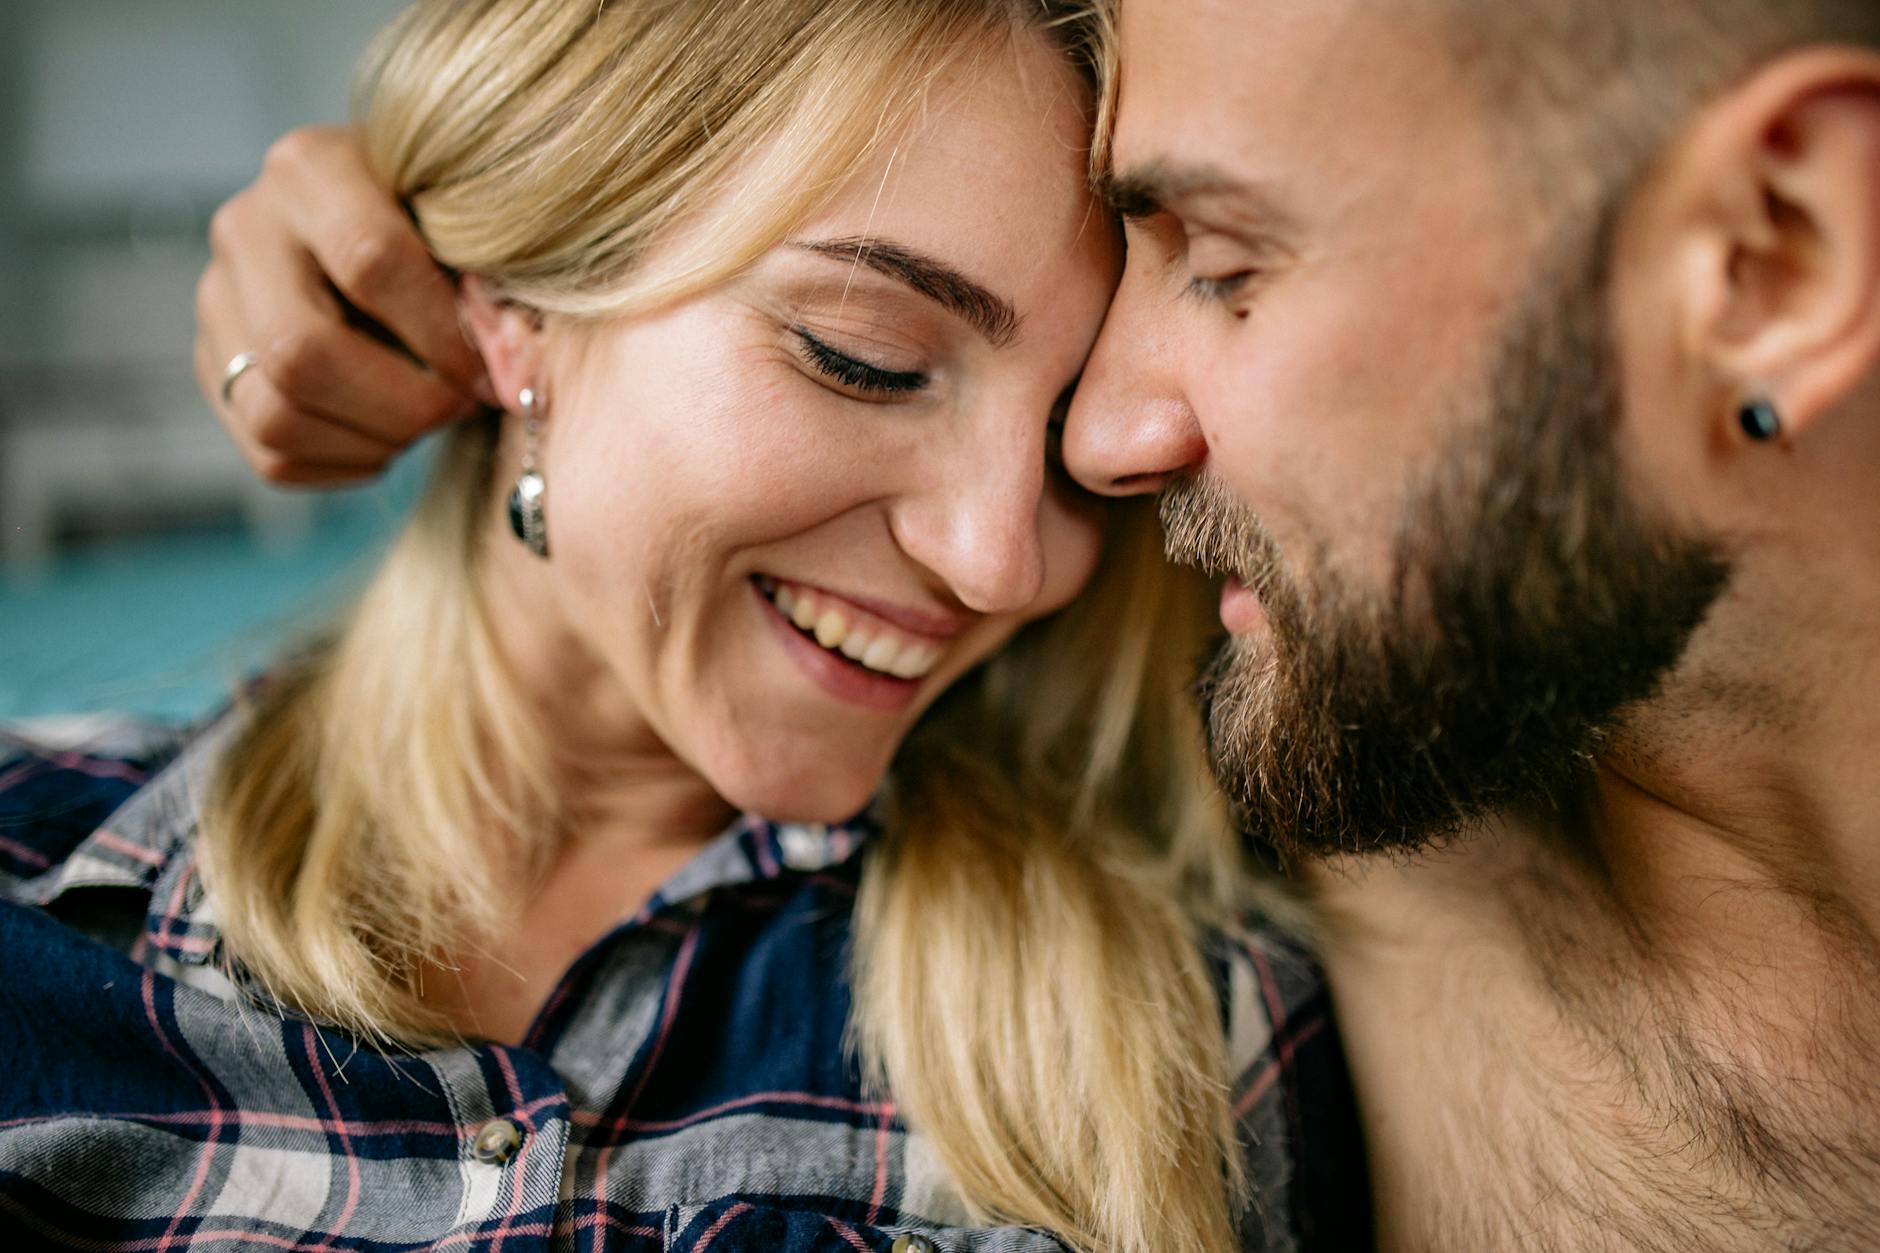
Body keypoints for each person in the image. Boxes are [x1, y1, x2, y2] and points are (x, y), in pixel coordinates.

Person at [194, 0, 1880, 1249]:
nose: (1085, 469)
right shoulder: (1337, 695)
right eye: (861, 353)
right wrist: (421, 224)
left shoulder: (1347, 763)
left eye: (1224, 260)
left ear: (1772, 260)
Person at [0, 2, 1370, 1251]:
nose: (1000, 561)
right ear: (513, 310)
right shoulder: (39, 896)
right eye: (866, 357)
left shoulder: (1190, 1046)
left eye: (1076, 445)